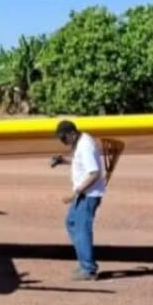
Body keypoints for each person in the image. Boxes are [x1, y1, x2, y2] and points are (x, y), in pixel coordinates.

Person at [56, 120, 105, 280]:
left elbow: (94, 173)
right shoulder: (81, 142)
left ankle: (88, 269)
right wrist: (64, 161)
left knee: (82, 228)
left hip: (88, 194)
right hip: (85, 193)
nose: (63, 141)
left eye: (64, 138)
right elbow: (82, 163)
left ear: (72, 133)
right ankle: (85, 263)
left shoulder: (85, 145)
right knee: (71, 222)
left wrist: (75, 193)